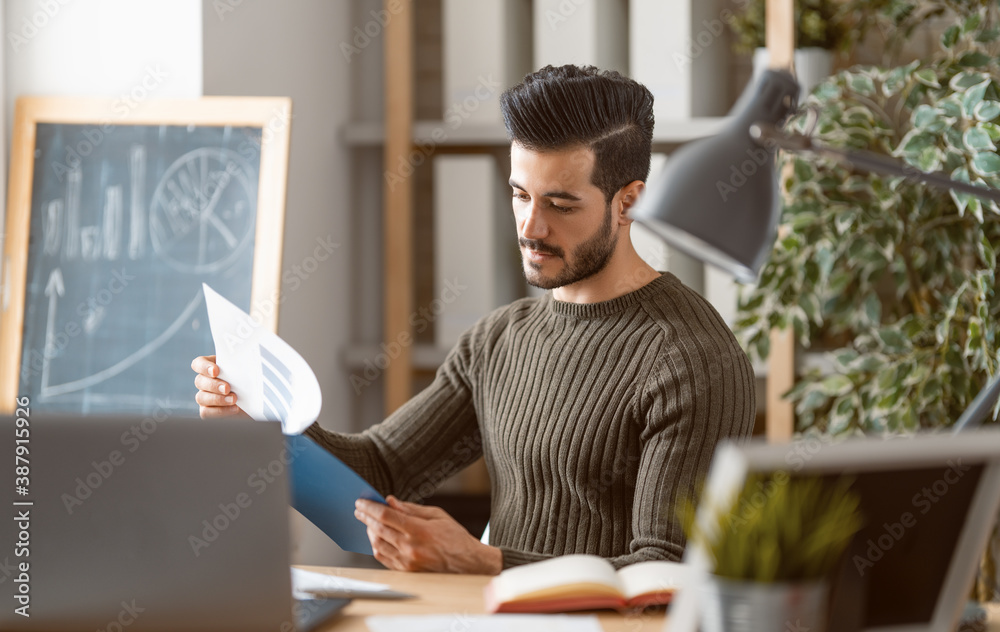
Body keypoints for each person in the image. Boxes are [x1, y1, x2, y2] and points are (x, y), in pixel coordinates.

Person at [193, 64, 756, 575]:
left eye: (560, 205)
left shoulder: (692, 359)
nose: (530, 227)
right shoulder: (499, 339)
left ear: (627, 202)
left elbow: (668, 576)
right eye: (518, 195)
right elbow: (380, 472)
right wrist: (263, 430)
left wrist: (482, 560)